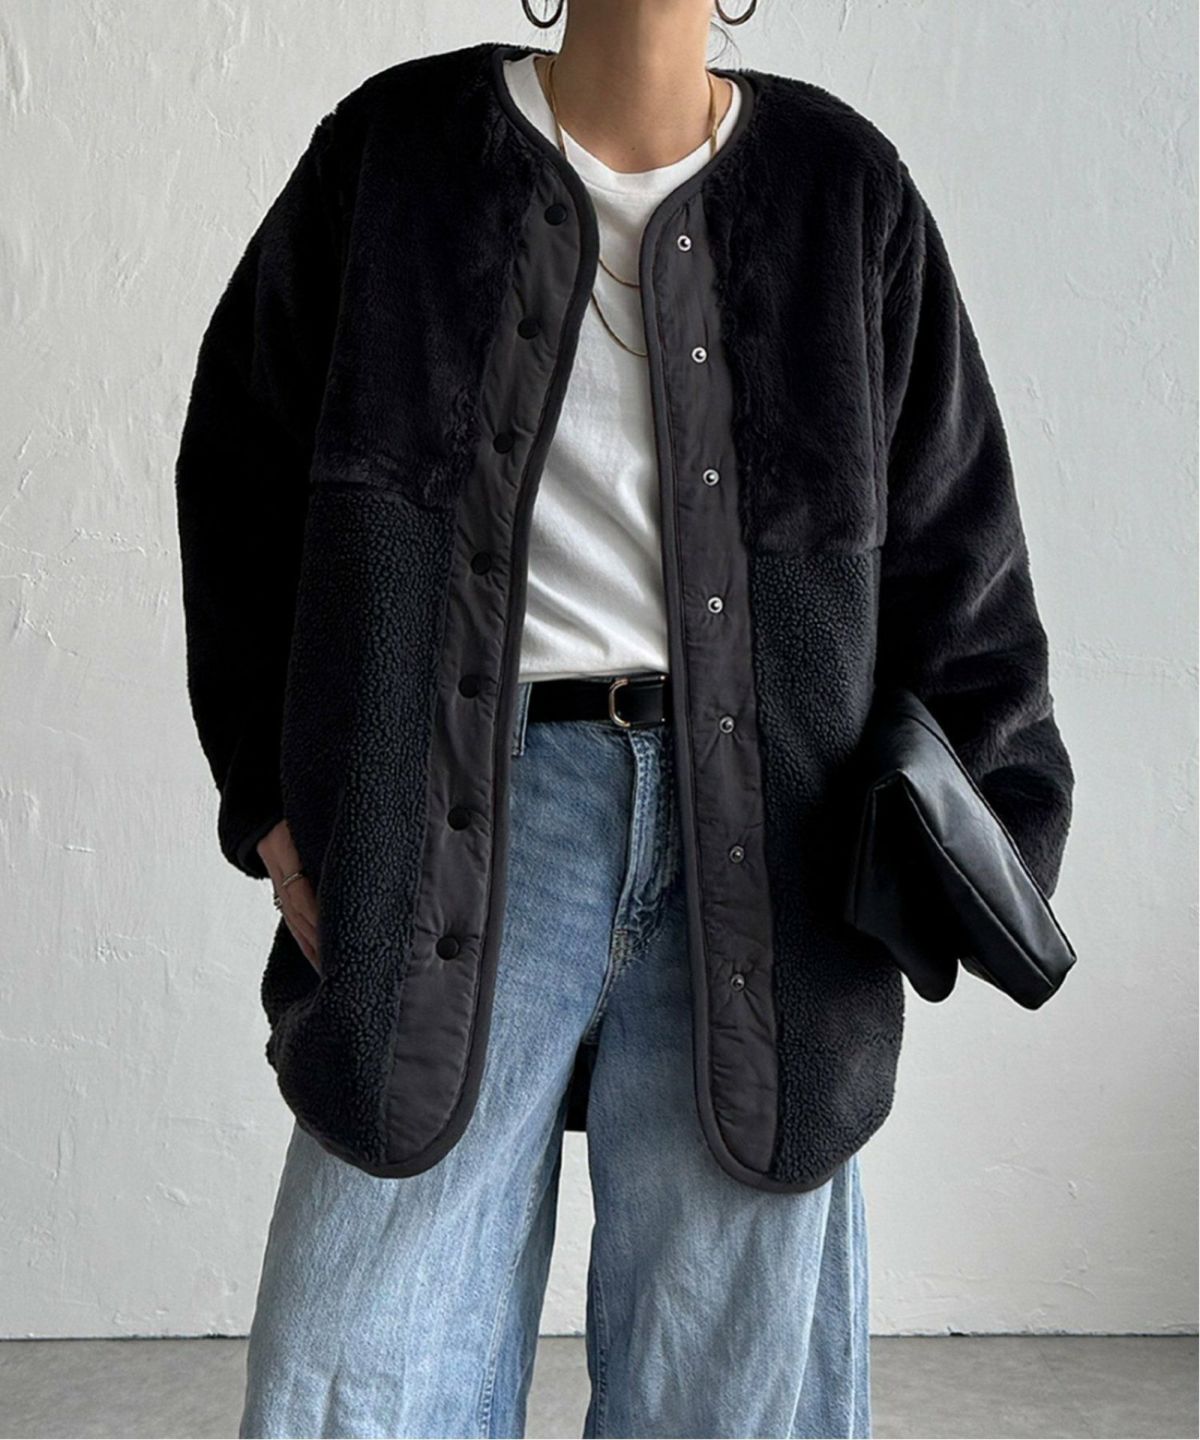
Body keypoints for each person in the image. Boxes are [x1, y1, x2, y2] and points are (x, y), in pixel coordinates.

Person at [174, 2, 1075, 1435]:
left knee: (733, 1375)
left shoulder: (845, 193)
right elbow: (237, 476)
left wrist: (973, 847)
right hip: (462, 818)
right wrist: (270, 804)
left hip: (771, 853)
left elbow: (961, 560)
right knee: (365, 1354)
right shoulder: (395, 158)